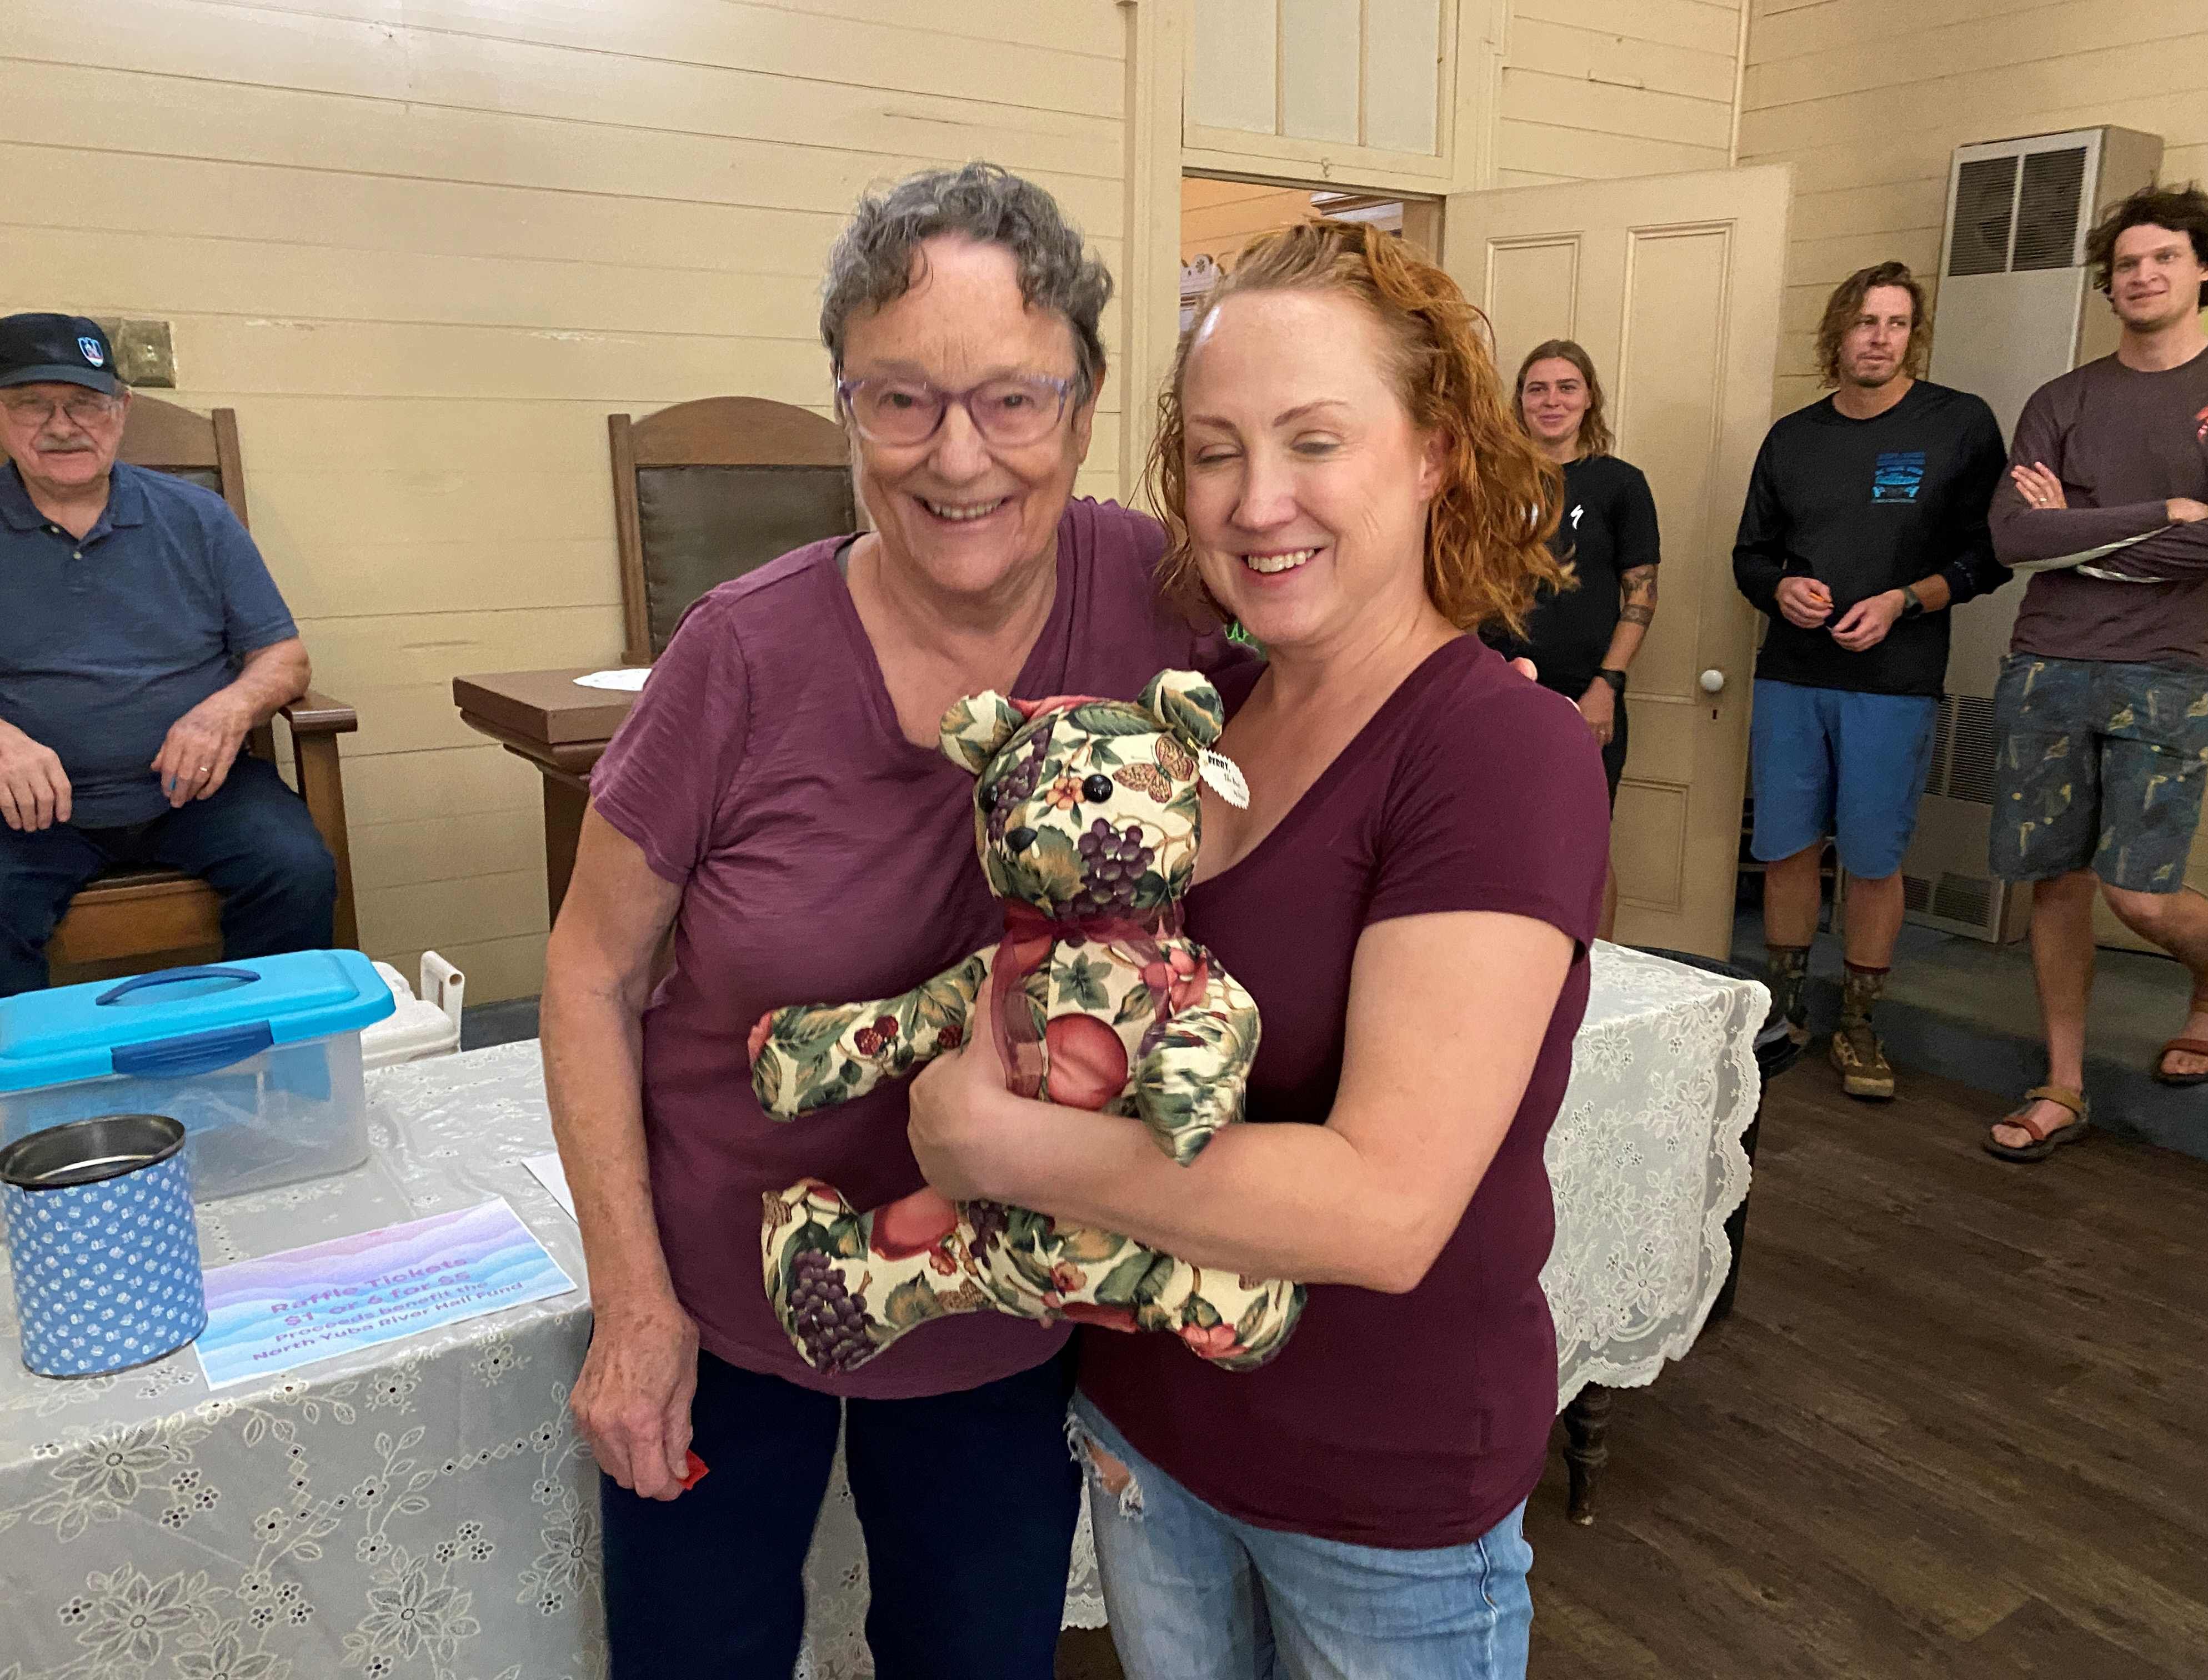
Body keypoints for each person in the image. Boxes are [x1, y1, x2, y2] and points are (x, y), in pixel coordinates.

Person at [538, 164, 1252, 1678]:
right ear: (844, 406)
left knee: (978, 1656)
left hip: (1008, 1296)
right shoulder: (738, 653)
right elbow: (590, 974)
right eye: (901, 399)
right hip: (725, 1295)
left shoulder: (1166, 597)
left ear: (1086, 397)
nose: (959, 457)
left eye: (1013, 399)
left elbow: (1350, 670)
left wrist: (1467, 694)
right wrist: (632, 1302)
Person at [907, 220, 1606, 1679]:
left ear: (1437, 456)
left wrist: (1001, 1148)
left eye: (1314, 441)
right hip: (1153, 1435)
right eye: (1216, 450)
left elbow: (1383, 1207)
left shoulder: (1498, 751)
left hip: (1378, 1496)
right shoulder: (1203, 716)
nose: (1256, 498)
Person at [1984, 183, 2208, 1163]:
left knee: (2139, 891)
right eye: (2126, 263)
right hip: (2048, 659)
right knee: (2056, 878)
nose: (2141, 275)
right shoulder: (2061, 398)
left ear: (2204, 267)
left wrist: (2081, 537)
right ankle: (2062, 1079)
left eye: (2162, 258)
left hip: (2173, 665)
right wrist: (2164, 513)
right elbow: (2014, 535)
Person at [1731, 261, 2007, 1100]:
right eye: (1863, 323)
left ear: (1911, 334)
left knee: (1875, 859)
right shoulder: (1794, 437)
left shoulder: (1957, 425)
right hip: (1792, 674)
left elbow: (1990, 556)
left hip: (1895, 679)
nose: (1878, 338)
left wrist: (1902, 602)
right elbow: (1749, 555)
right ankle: (1784, 1015)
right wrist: (1780, 587)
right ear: (1836, 335)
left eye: (1893, 323)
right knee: (1785, 848)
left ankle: (1860, 1023)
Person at [0, 312, 333, 996]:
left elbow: (285, 657)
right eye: (33, 403)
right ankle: (37, 1096)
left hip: (200, 790)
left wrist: (228, 709)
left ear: (119, 411)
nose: (63, 426)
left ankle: (266, 1076)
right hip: (28, 810)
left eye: (87, 403)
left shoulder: (196, 517)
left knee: (297, 869)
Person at [1484, 339, 1659, 939]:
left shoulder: (1621, 485)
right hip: (1497, 688)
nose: (1551, 400)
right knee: (1498, 837)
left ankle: (1597, 973)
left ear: (1589, 400)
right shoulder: (1492, 484)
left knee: (1586, 842)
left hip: (1588, 694)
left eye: (1566, 387)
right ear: (1521, 401)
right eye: (1537, 388)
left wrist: (1607, 685)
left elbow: (1642, 593)